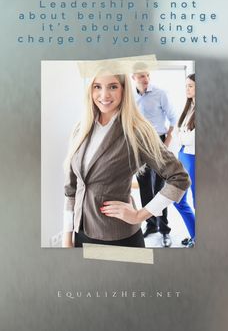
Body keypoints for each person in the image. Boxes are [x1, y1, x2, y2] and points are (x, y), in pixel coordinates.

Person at [62, 69, 190, 248]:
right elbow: (71, 190)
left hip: (119, 238)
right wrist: (67, 238)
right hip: (81, 235)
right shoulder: (80, 128)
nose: (104, 95)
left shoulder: (137, 131)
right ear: (90, 90)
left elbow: (179, 178)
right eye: (97, 86)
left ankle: (161, 229)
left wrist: (141, 214)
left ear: (123, 89)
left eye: (112, 87)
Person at [132, 67, 176, 247]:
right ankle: (151, 225)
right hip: (139, 143)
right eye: (142, 75)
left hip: (158, 142)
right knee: (144, 187)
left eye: (148, 75)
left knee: (160, 188)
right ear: (133, 77)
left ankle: (164, 229)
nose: (146, 78)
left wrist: (165, 145)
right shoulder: (130, 97)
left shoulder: (160, 93)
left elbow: (173, 120)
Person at [173, 73, 196, 248]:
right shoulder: (189, 107)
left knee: (198, 201)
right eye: (186, 86)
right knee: (177, 200)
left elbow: (190, 139)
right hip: (183, 155)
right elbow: (181, 136)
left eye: (190, 86)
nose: (187, 89)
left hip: (194, 158)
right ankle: (196, 235)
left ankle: (198, 239)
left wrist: (183, 137)